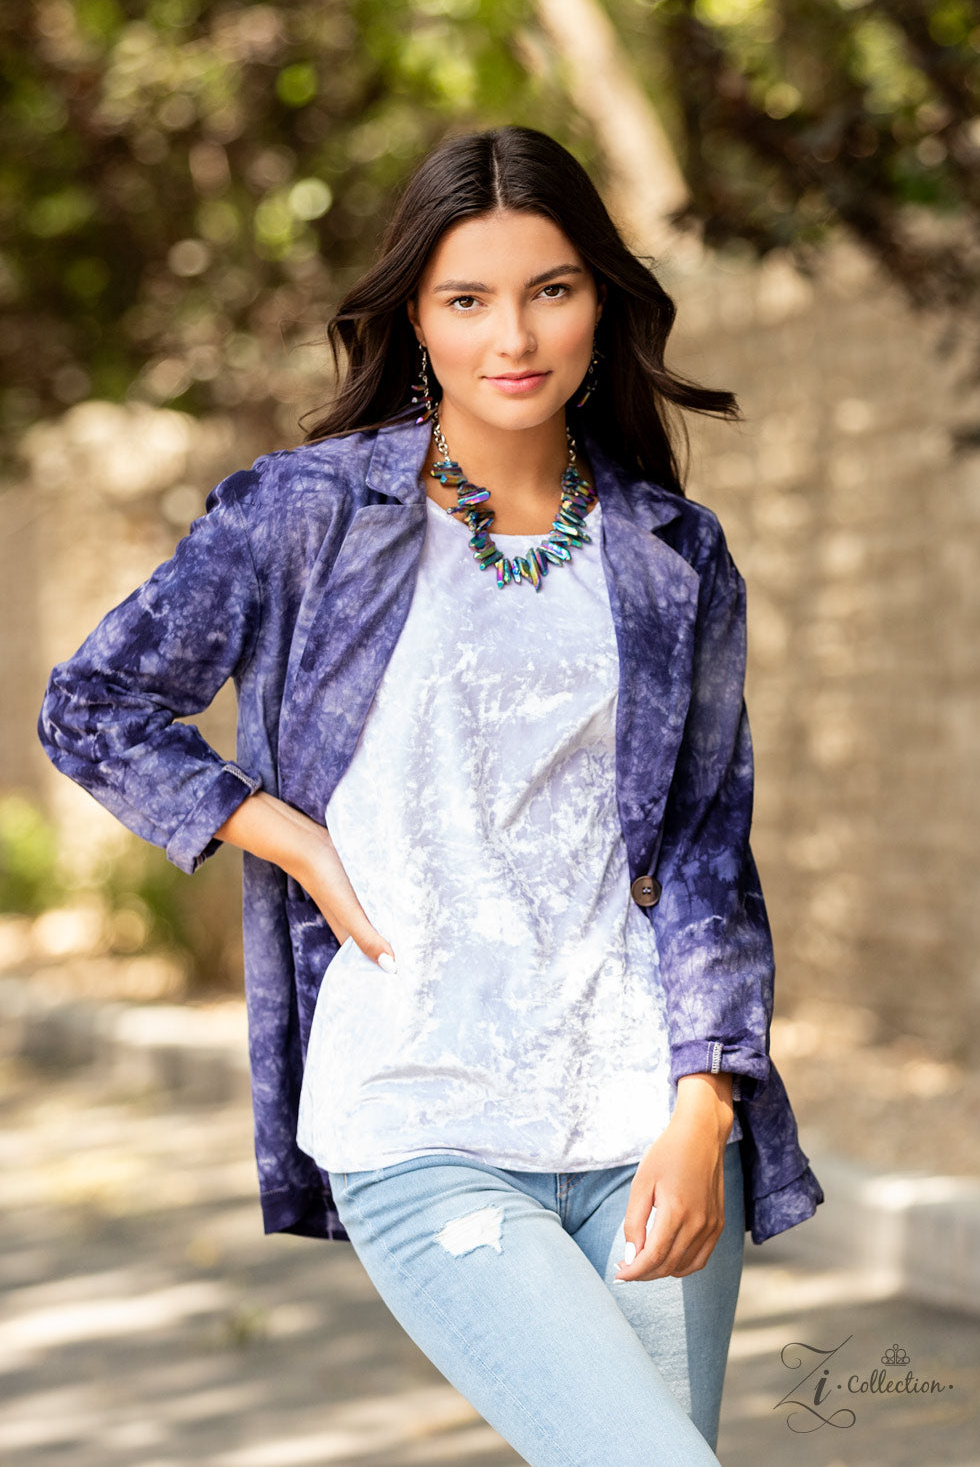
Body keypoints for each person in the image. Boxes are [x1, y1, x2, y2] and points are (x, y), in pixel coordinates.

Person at [38, 124, 824, 1466]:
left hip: (646, 1110)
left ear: (601, 302)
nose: (512, 336)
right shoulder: (306, 515)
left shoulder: (671, 553)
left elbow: (706, 851)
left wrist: (707, 1103)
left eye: (550, 290)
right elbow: (92, 704)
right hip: (418, 1104)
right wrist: (284, 835)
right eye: (467, 299)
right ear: (414, 315)